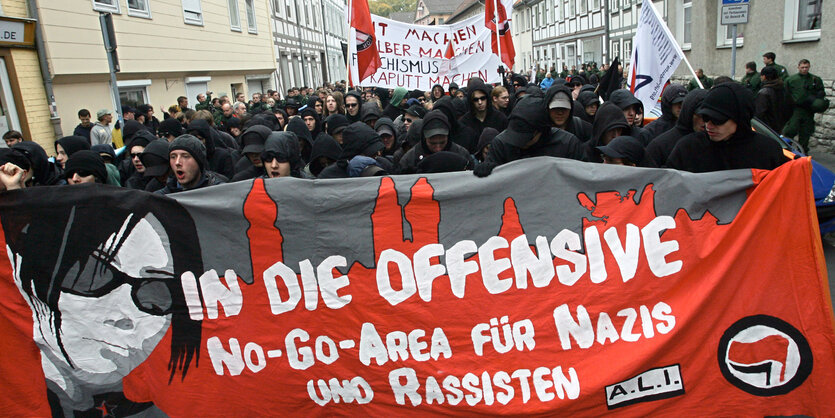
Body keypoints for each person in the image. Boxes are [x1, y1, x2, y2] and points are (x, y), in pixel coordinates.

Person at [0, 185, 204, 416]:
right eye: (92, 273)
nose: (127, 317)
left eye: (157, 290)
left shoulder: (164, 403)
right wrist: (13, 196)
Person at [667, 82, 787, 173]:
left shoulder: (767, 151)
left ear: (740, 118)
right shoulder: (688, 148)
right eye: (705, 117)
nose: (708, 125)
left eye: (717, 120)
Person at [475, 96, 584, 177]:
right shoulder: (501, 144)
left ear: (541, 131)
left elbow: (583, 177)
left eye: (526, 138)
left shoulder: (568, 144)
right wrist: (488, 169)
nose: (520, 143)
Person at [646, 89, 708, 167]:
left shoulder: (718, 143)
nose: (704, 122)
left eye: (708, 117)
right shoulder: (659, 145)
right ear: (689, 112)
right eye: (699, 116)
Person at [397, 110, 472, 174]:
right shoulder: (409, 159)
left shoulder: (462, 154)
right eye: (433, 143)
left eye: (442, 142)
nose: (438, 148)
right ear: (424, 137)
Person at [159, 134, 227, 193]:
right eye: (173, 157)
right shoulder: (162, 198)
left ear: (199, 161)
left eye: (185, 156)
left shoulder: (220, 192)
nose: (177, 162)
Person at [784, 59, 826, 152]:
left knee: (806, 131)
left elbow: (821, 92)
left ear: (809, 67)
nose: (804, 69)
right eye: (802, 67)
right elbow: (786, 93)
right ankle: (787, 148)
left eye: (806, 67)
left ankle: (803, 151)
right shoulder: (791, 80)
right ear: (798, 67)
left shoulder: (815, 79)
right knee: (791, 129)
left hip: (808, 110)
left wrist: (817, 98)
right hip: (796, 109)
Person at [458, 79, 508, 148]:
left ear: (487, 98)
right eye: (476, 99)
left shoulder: (500, 118)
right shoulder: (464, 122)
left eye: (483, 98)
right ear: (471, 101)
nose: (480, 102)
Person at [755, 66, 793, 135]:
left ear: (764, 77)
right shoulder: (784, 90)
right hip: (780, 127)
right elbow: (790, 108)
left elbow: (759, 113)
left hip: (767, 129)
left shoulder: (764, 92)